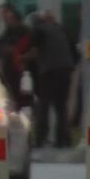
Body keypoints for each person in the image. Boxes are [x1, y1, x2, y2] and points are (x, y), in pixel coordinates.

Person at [32, 10, 74, 148]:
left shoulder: (40, 30)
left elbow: (34, 48)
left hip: (49, 72)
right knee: (61, 107)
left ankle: (40, 138)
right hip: (65, 71)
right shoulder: (63, 29)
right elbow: (74, 51)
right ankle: (63, 139)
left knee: (44, 105)